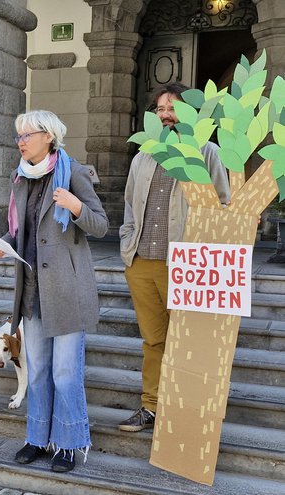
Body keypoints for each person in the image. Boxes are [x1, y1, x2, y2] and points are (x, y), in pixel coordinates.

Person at [0, 110, 108, 473]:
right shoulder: (19, 178)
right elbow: (19, 230)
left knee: (66, 373)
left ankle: (70, 443)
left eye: (27, 135)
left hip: (67, 290)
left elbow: (100, 225)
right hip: (31, 291)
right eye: (18, 136)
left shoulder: (75, 173)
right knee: (38, 369)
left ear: (49, 137)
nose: (21, 142)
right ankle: (38, 438)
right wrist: (2, 243)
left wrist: (75, 207)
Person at [118, 82, 230, 432]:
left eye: (173, 108)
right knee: (154, 340)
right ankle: (150, 407)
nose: (166, 115)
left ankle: (186, 413)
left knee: (189, 341)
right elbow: (129, 207)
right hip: (141, 263)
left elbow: (223, 205)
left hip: (184, 265)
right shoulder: (143, 156)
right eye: (160, 109)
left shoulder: (207, 152)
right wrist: (126, 247)